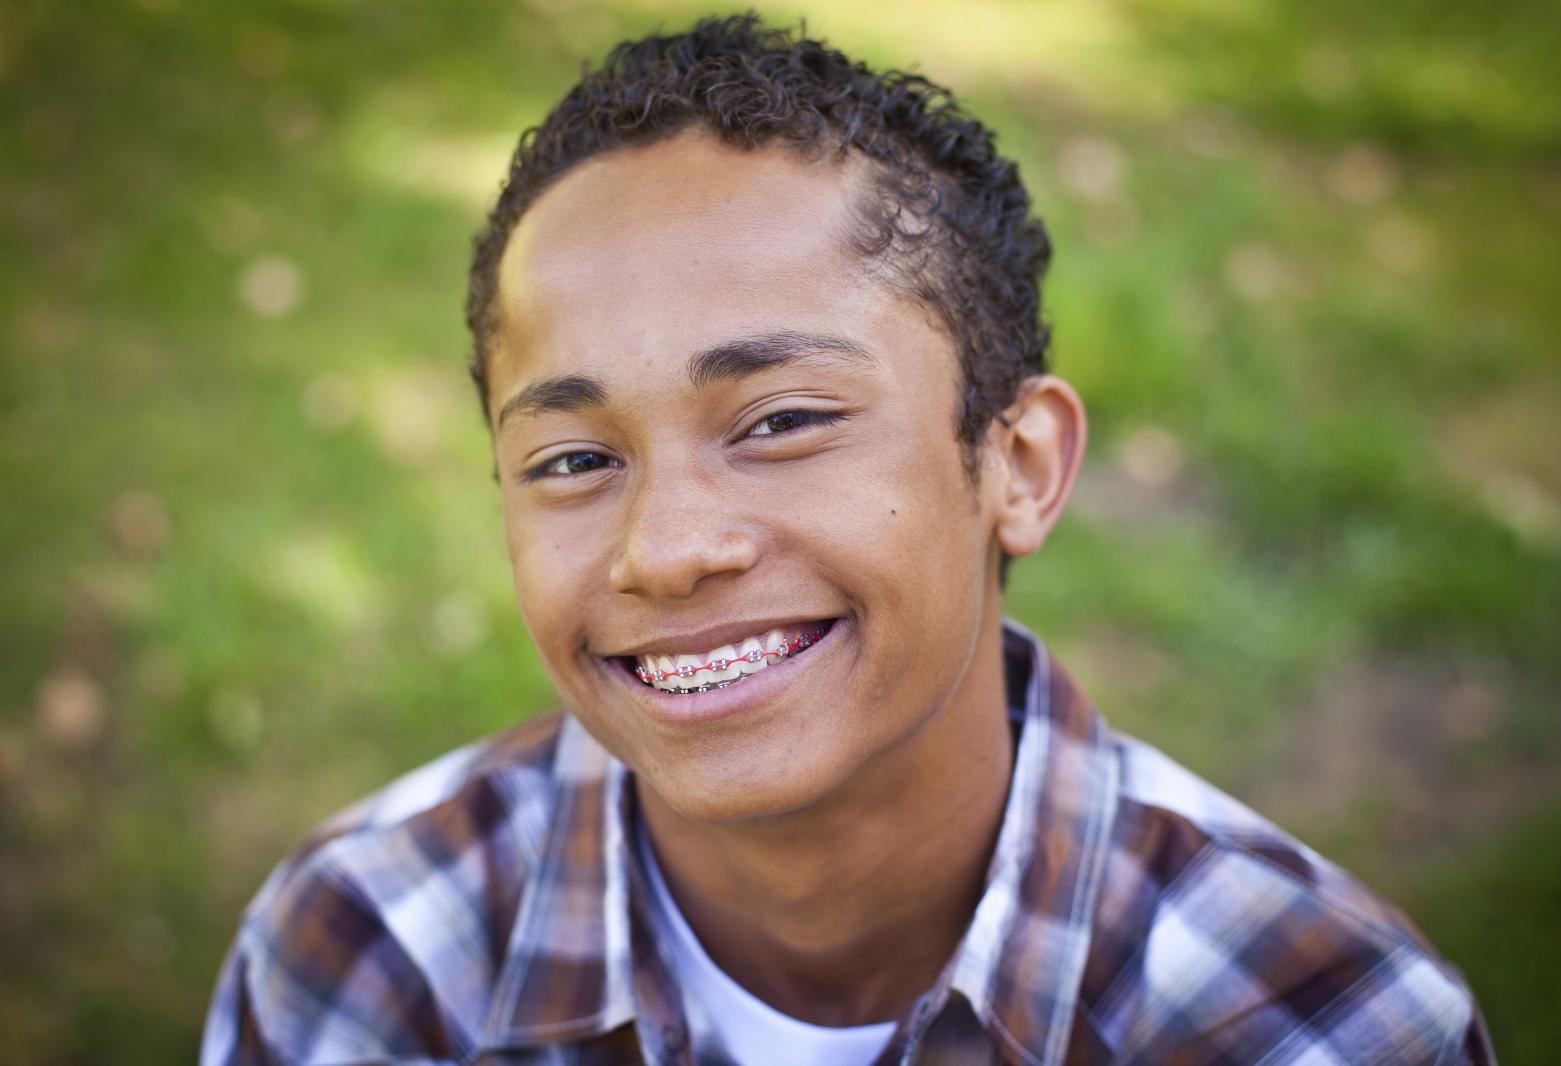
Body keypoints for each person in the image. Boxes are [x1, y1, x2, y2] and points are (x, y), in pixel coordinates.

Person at [201, 15, 1494, 1065]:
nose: (667, 548)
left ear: (1018, 464)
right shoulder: (365, 957)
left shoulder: (1316, 1019)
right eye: (575, 459)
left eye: (782, 421)